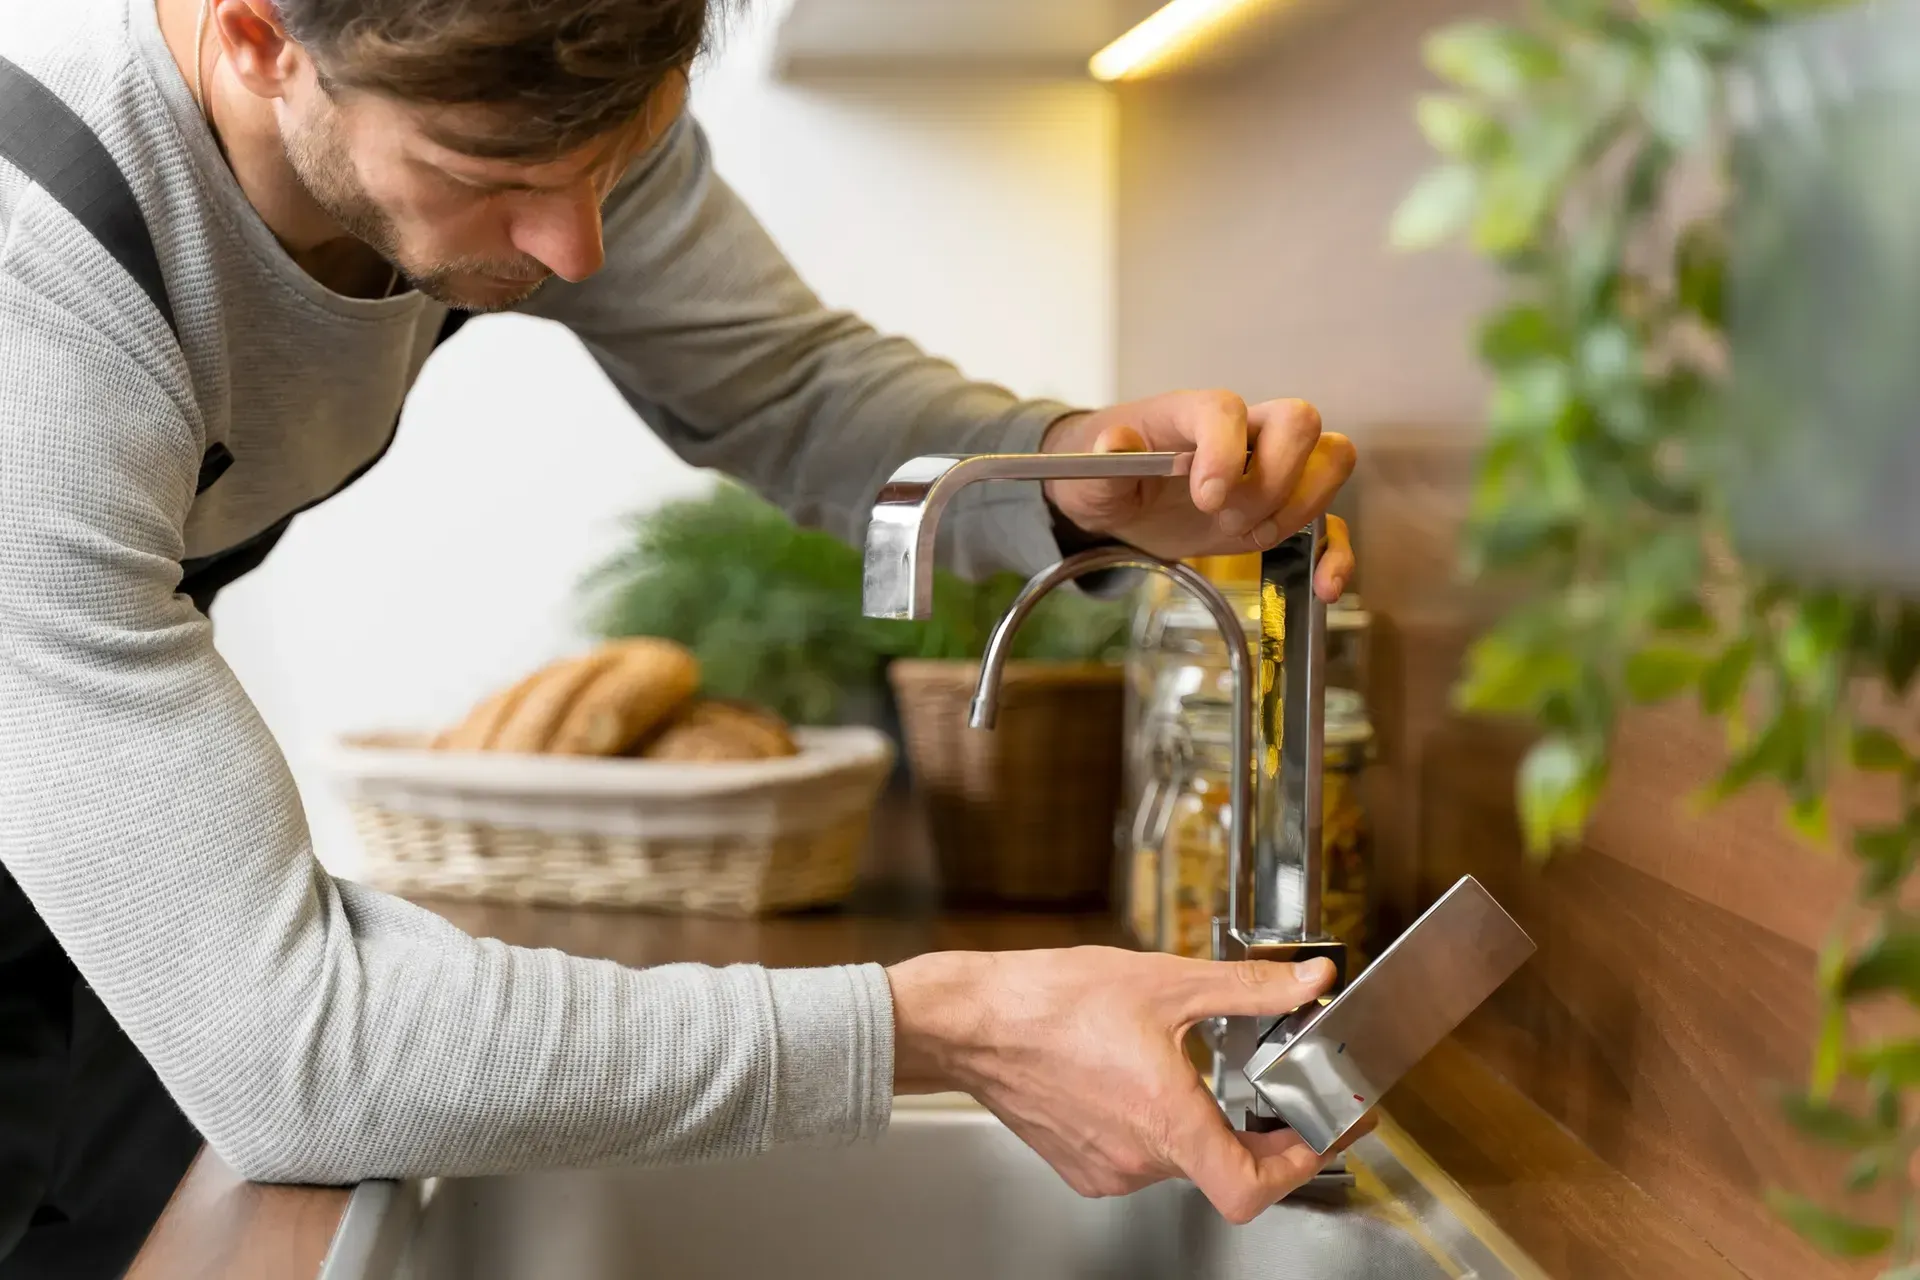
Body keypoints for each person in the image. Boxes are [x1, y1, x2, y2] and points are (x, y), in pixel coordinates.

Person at [0, 0, 1361, 1275]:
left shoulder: (536, 83)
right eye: (493, 174)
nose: (577, 246)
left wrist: (1064, 477)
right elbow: (300, 1055)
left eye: (623, 152)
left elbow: (779, 382)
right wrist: (942, 1026)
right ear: (255, 38)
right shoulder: (35, 325)